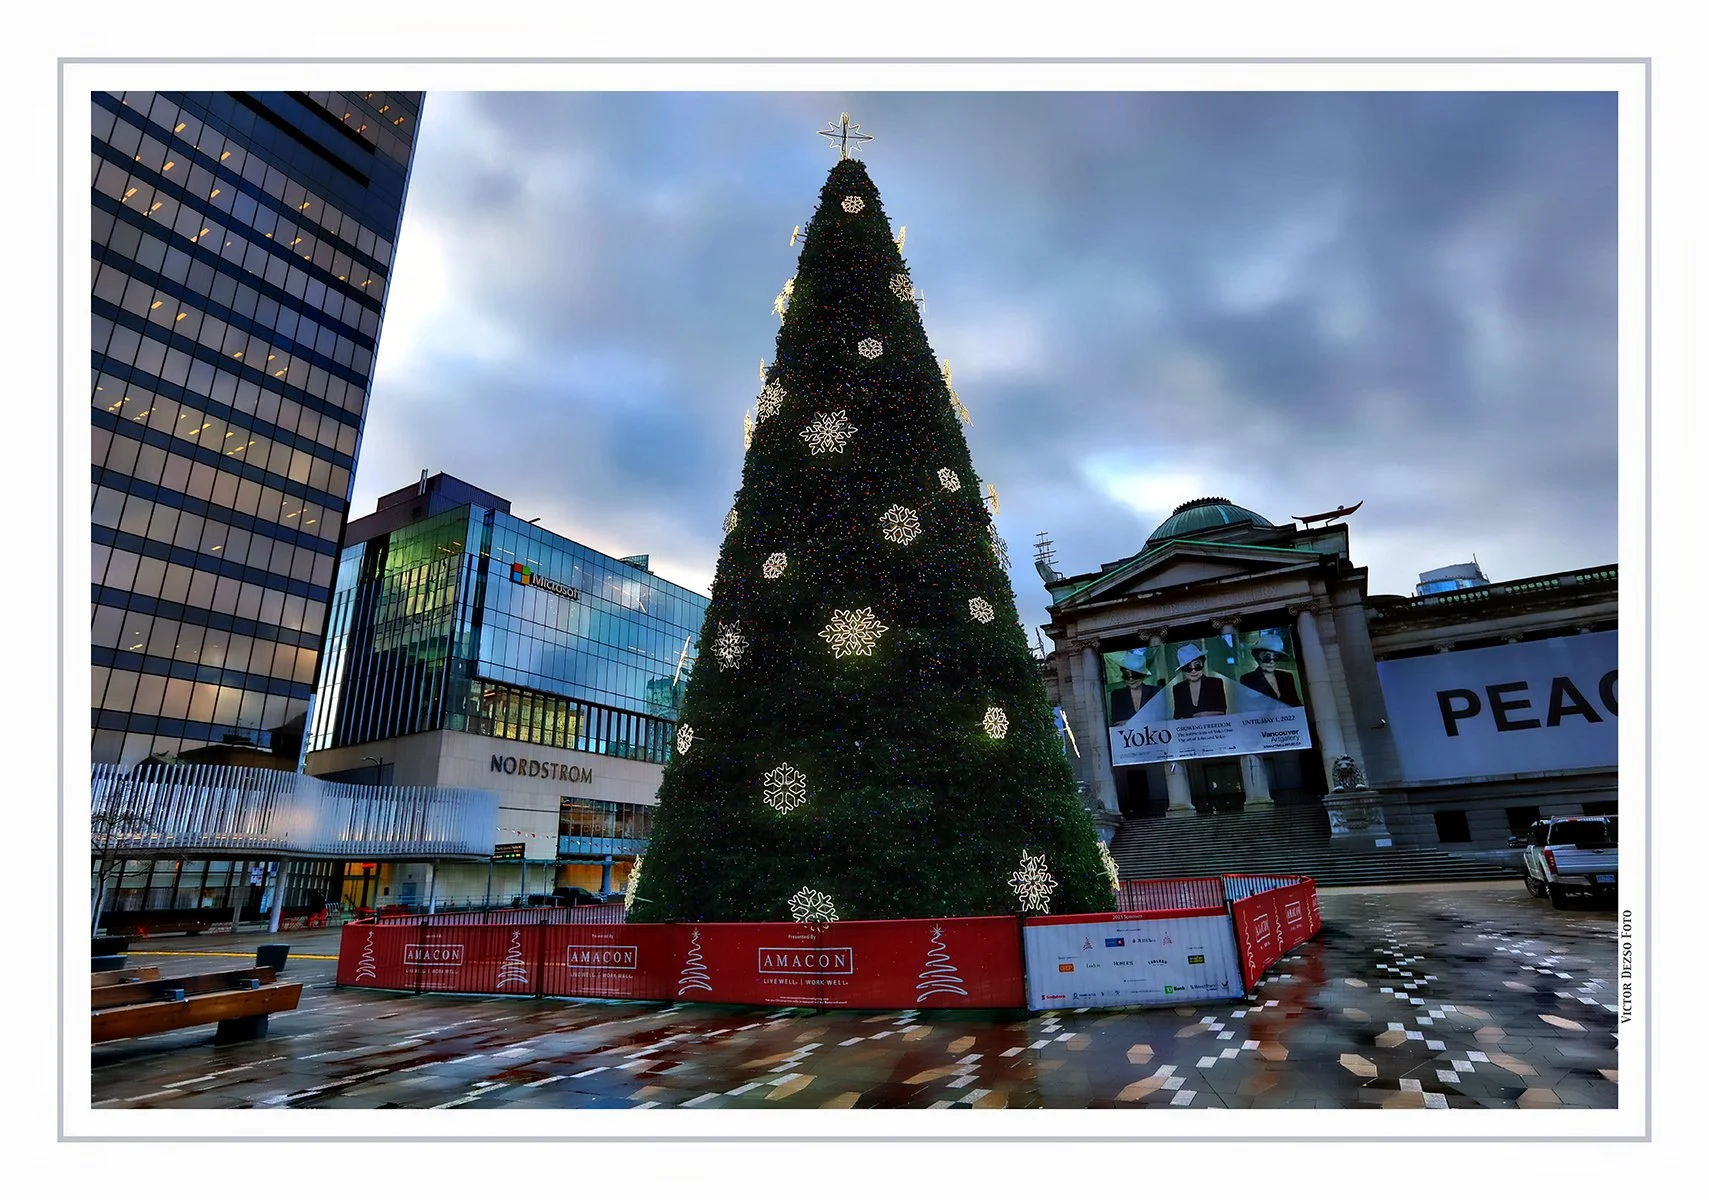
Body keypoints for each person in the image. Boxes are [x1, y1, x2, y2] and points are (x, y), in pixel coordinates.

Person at [1239, 632, 1303, 707]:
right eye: (1266, 657)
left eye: (1275, 657)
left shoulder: (1287, 677)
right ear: (1257, 657)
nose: (1272, 661)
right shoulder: (1247, 679)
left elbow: (1295, 703)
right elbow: (1249, 707)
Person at [1170, 642, 1227, 718]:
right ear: (1183, 670)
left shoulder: (1216, 683)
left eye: (1197, 665)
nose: (1193, 671)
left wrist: (1199, 715)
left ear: (1202, 664)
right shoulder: (1178, 688)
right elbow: (1177, 715)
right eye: (1188, 667)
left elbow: (1222, 710)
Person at [1108, 648, 1161, 724]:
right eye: (1126, 676)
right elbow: (1117, 722)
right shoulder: (1116, 695)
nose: (1131, 679)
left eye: (1135, 675)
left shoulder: (1155, 692)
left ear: (1143, 676)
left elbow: (1160, 719)